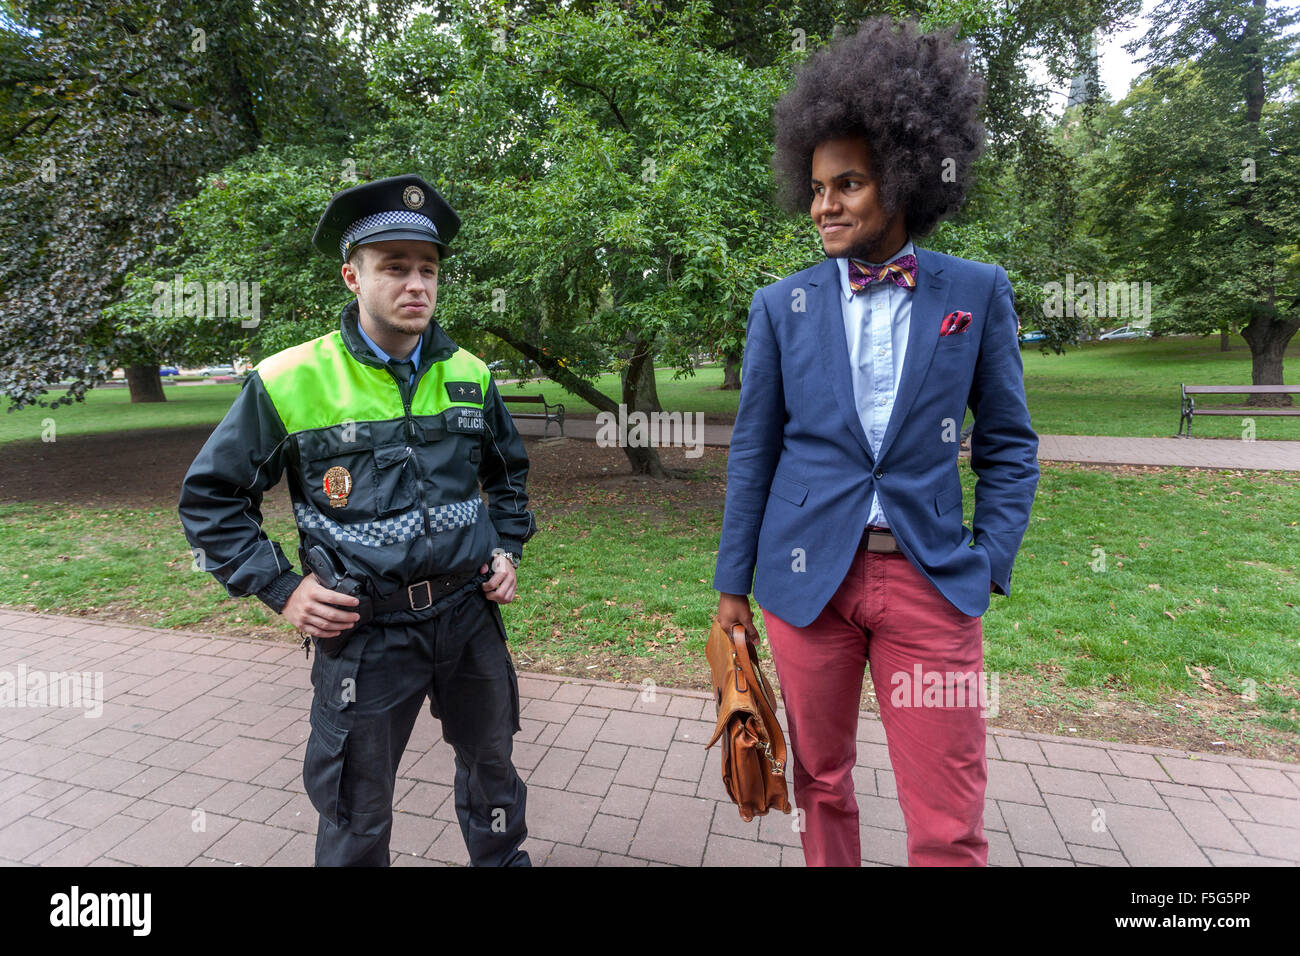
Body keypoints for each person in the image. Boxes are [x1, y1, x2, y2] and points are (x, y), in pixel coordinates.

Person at [713, 18, 1039, 866]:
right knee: (821, 787)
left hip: (931, 582)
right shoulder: (779, 306)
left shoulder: (977, 292)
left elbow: (1009, 443)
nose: (824, 205)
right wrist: (731, 592)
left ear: (901, 178)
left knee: (947, 820)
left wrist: (988, 558)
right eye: (817, 187)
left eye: (848, 184)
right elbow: (753, 452)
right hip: (804, 582)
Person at [179, 174, 537, 866]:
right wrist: (281, 588)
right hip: (365, 634)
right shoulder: (291, 379)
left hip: (468, 620)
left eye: (427, 269)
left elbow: (507, 475)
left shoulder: (470, 374)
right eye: (394, 267)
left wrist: (507, 546)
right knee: (356, 805)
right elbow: (211, 496)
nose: (416, 285)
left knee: (493, 772)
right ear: (353, 276)